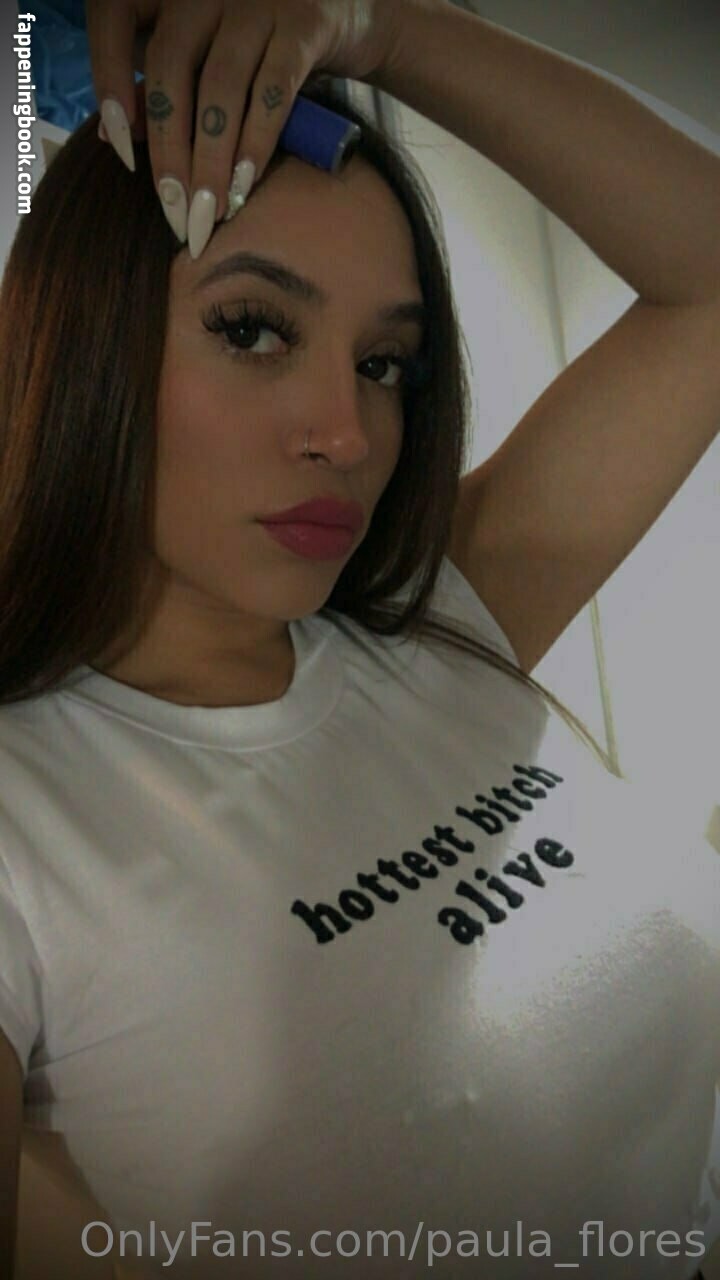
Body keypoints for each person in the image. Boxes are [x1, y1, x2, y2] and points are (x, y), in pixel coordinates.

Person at [1, 1, 719, 1277]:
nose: (345, 431)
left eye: (385, 362)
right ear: (86, 339)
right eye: (253, 329)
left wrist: (379, 30)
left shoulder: (442, 619)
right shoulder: (23, 816)